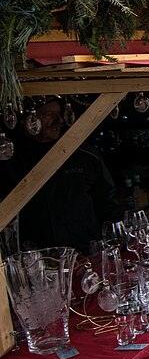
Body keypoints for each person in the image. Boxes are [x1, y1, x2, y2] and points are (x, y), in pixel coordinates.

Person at [0, 99, 120, 252]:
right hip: (35, 255)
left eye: (59, 114)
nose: (59, 120)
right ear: (28, 119)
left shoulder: (84, 155)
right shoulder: (11, 160)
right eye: (49, 114)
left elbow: (108, 202)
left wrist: (112, 243)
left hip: (84, 251)